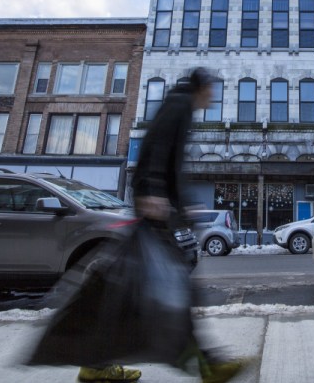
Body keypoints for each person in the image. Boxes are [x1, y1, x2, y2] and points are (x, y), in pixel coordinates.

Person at [77, 67, 243, 383]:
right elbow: (159, 147)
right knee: (173, 284)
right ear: (201, 87)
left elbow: (168, 160)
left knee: (149, 287)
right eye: (212, 90)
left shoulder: (180, 105)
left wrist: (182, 201)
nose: (214, 97)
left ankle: (96, 363)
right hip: (157, 210)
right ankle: (208, 364)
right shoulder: (179, 105)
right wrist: (154, 192)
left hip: (161, 207)